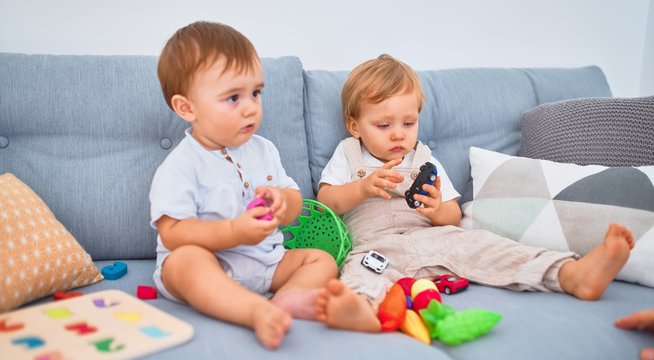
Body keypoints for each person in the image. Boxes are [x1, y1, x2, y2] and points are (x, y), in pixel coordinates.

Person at [314, 54, 635, 332]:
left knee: (488, 247)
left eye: (409, 123)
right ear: (355, 126)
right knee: (360, 272)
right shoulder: (348, 154)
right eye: (384, 126)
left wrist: (437, 208)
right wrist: (361, 188)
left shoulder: (424, 159)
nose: (398, 134)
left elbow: (453, 215)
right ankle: (360, 310)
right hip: (377, 247)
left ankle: (569, 274)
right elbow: (326, 202)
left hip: (433, 239)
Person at [150, 21, 338, 349]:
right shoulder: (181, 165)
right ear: (186, 107)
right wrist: (234, 232)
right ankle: (254, 311)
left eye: (255, 92)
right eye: (233, 97)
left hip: (266, 262)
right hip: (211, 264)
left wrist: (282, 202)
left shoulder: (264, 150)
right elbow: (172, 233)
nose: (251, 106)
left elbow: (295, 201)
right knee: (184, 262)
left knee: (322, 260)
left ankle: (286, 302)